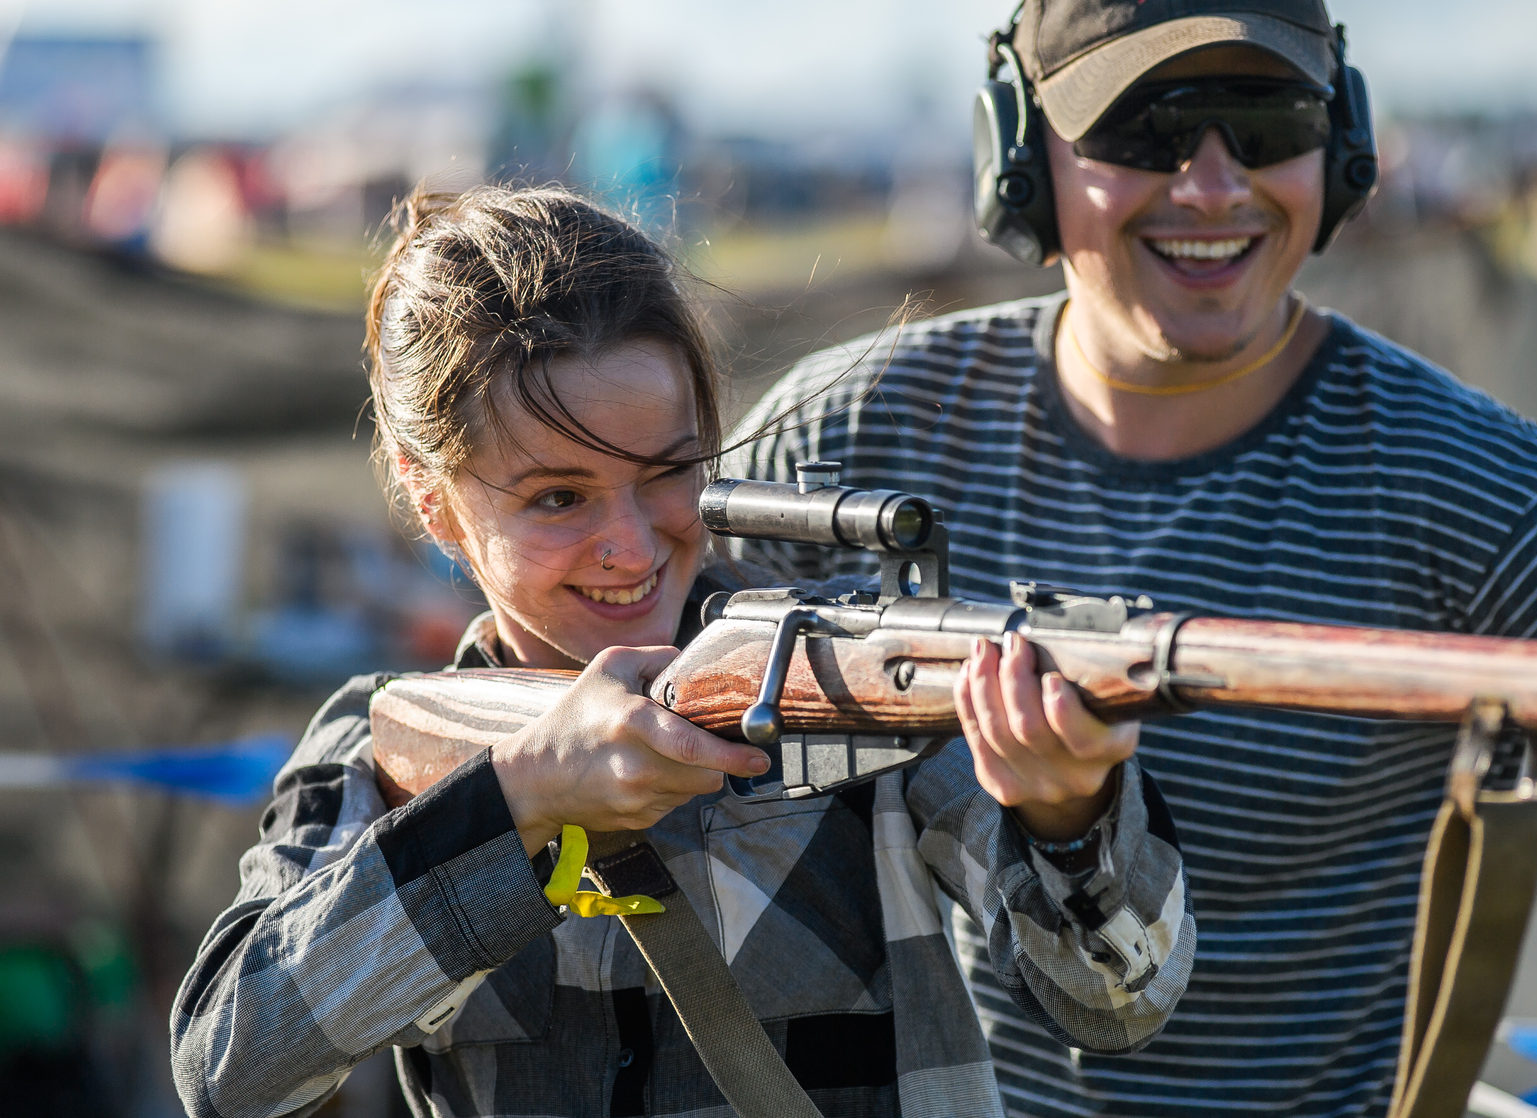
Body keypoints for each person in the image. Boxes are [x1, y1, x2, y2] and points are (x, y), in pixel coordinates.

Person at [727, 1, 1537, 1115]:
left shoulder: (1481, 490)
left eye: (1266, 122)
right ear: (1021, 156)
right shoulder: (836, 441)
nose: (1215, 185)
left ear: (1345, 150)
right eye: (1149, 127)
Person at [167, 183, 1195, 1118]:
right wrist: (518, 802)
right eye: (558, 497)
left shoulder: (840, 679)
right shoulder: (377, 739)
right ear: (431, 498)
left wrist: (1071, 816)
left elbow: (1122, 1001)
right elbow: (228, 1068)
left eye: (667, 472)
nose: (630, 542)